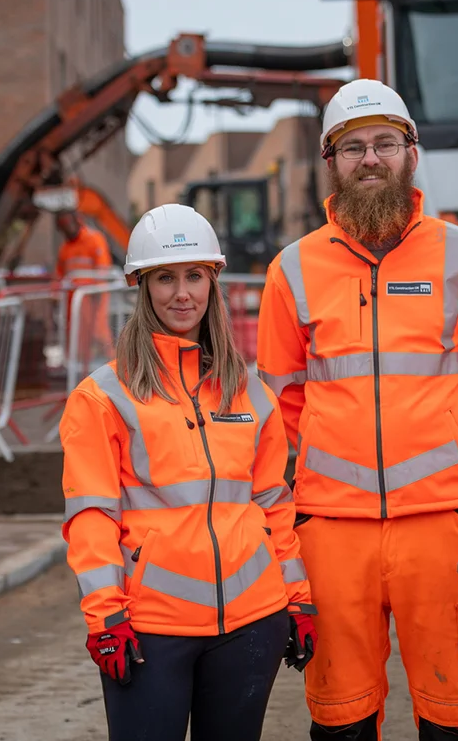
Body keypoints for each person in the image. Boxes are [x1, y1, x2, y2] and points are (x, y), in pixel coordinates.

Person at [256, 79, 458, 740]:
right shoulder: (291, 271)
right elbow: (271, 419)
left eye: (384, 144)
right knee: (340, 722)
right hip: (331, 532)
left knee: (453, 721)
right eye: (353, 147)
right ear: (332, 161)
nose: (369, 159)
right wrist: (282, 549)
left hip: (445, 527)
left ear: (411, 152)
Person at [60, 203, 318, 741]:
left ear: (213, 281)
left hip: (252, 624)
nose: (183, 293)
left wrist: (298, 599)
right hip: (151, 630)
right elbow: (91, 517)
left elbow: (272, 503)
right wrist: (106, 618)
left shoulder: (249, 392)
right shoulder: (103, 397)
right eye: (166, 278)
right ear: (141, 285)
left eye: (195, 276)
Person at [55, 209, 116, 364]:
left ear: (77, 221)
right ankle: (81, 369)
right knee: (77, 337)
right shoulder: (65, 249)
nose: (66, 228)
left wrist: (98, 291)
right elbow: (59, 276)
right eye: (62, 225)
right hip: (74, 301)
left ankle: (112, 365)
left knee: (99, 332)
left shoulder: (94, 239)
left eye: (67, 223)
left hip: (92, 297)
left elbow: (103, 269)